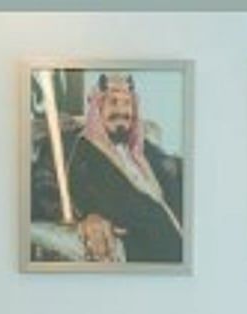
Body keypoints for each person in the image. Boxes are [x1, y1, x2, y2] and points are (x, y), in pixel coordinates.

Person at [31, 72, 183, 263]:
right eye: (113, 102)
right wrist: (85, 218)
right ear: (98, 108)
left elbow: (175, 177)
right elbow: (42, 187)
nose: (122, 111)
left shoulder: (146, 151)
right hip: (143, 248)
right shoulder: (72, 148)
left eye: (127, 103)